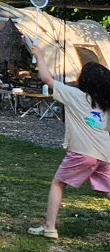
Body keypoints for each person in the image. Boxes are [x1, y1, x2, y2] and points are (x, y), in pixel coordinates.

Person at [25, 54, 110, 240]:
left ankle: (49, 227)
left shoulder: (75, 95)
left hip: (82, 152)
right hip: (105, 154)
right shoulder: (104, 104)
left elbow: (47, 80)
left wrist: (39, 54)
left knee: (58, 184)